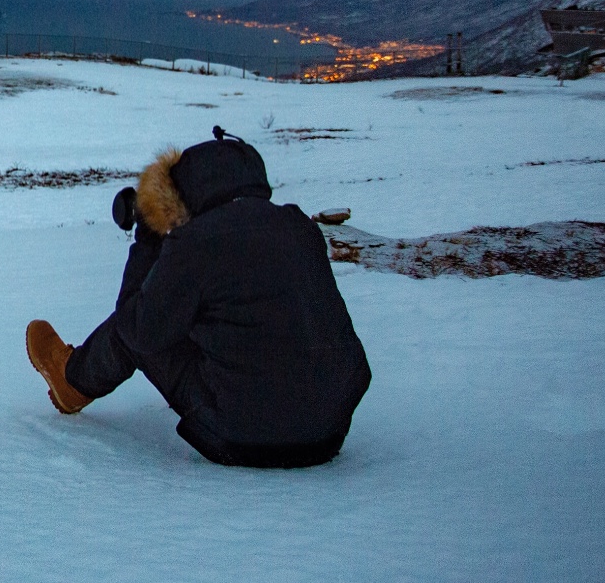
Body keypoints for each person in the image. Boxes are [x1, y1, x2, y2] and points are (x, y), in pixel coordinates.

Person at [27, 126, 370, 468]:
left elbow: (138, 329)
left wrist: (147, 240)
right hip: (328, 431)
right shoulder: (298, 226)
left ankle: (70, 381)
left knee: (134, 324)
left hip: (241, 436)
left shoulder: (196, 243)